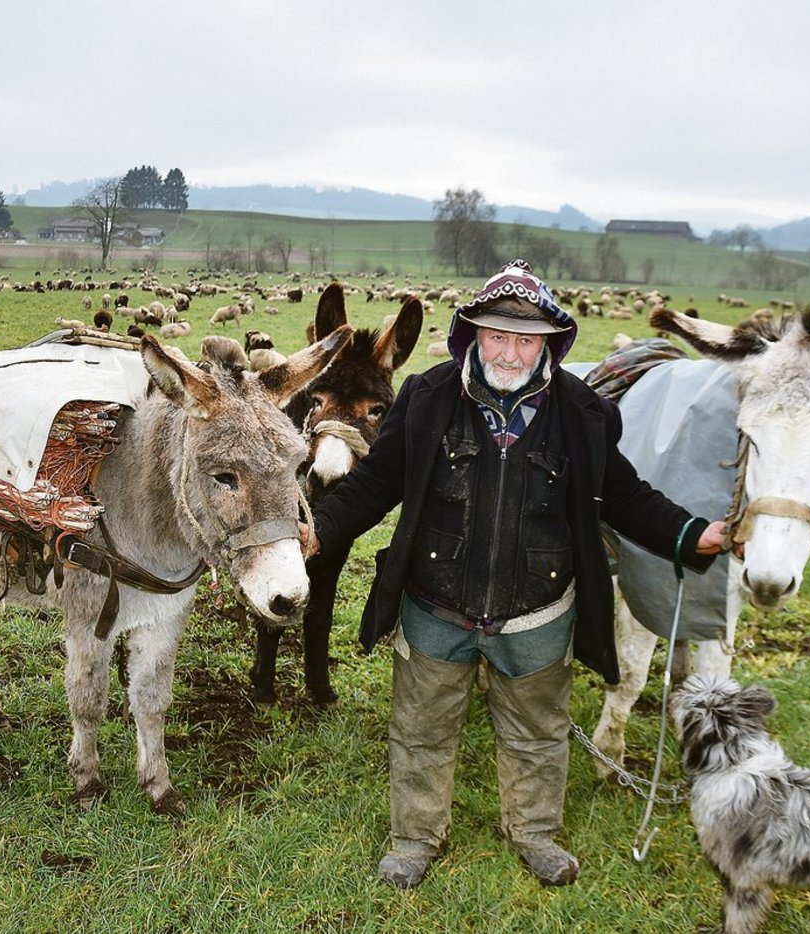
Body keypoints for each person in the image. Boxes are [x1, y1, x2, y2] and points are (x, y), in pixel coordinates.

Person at [304, 259, 727, 889]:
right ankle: (415, 838)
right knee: (421, 730)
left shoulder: (582, 413)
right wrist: (319, 530)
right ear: (471, 335)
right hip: (436, 602)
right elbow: (373, 485)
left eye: (524, 338)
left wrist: (694, 534)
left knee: (538, 733)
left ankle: (534, 833)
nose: (509, 350)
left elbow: (628, 496)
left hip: (538, 610)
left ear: (549, 343)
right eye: (496, 334)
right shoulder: (426, 398)